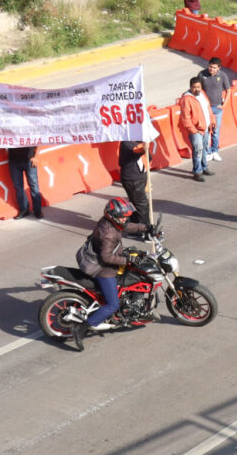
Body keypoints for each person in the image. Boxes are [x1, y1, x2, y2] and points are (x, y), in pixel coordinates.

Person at [72, 198, 151, 349]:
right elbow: (106, 257)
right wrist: (126, 260)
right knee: (112, 304)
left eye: (126, 216)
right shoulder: (107, 233)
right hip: (103, 269)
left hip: (104, 257)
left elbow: (126, 226)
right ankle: (82, 327)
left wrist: (146, 228)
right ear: (113, 216)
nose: (125, 219)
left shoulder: (112, 223)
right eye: (123, 216)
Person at [197, 57, 232, 163]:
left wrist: (224, 105)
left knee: (216, 131)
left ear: (219, 68)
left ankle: (215, 151)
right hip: (206, 109)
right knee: (207, 131)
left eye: (214, 67)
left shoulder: (222, 76)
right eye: (210, 66)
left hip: (217, 108)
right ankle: (207, 152)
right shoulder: (202, 74)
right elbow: (198, 90)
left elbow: (228, 90)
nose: (211, 69)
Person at [178, 77, 212, 182]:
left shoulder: (203, 94)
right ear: (190, 87)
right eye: (194, 87)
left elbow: (208, 108)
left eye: (199, 87)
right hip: (196, 130)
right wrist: (193, 130)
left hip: (206, 127)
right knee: (198, 151)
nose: (197, 89)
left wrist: (212, 120)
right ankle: (197, 172)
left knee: (205, 148)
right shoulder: (187, 99)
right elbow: (185, 118)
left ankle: (204, 167)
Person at [7, 146, 43, 219]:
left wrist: (36, 156)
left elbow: (39, 140)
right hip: (14, 161)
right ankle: (24, 210)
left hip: (30, 159)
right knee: (18, 187)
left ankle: (38, 211)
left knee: (34, 185)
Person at [118, 140, 149, 224]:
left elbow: (149, 158)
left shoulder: (138, 142)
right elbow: (136, 151)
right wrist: (144, 147)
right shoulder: (126, 143)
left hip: (140, 177)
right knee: (141, 205)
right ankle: (144, 228)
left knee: (136, 204)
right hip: (133, 180)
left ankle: (134, 225)